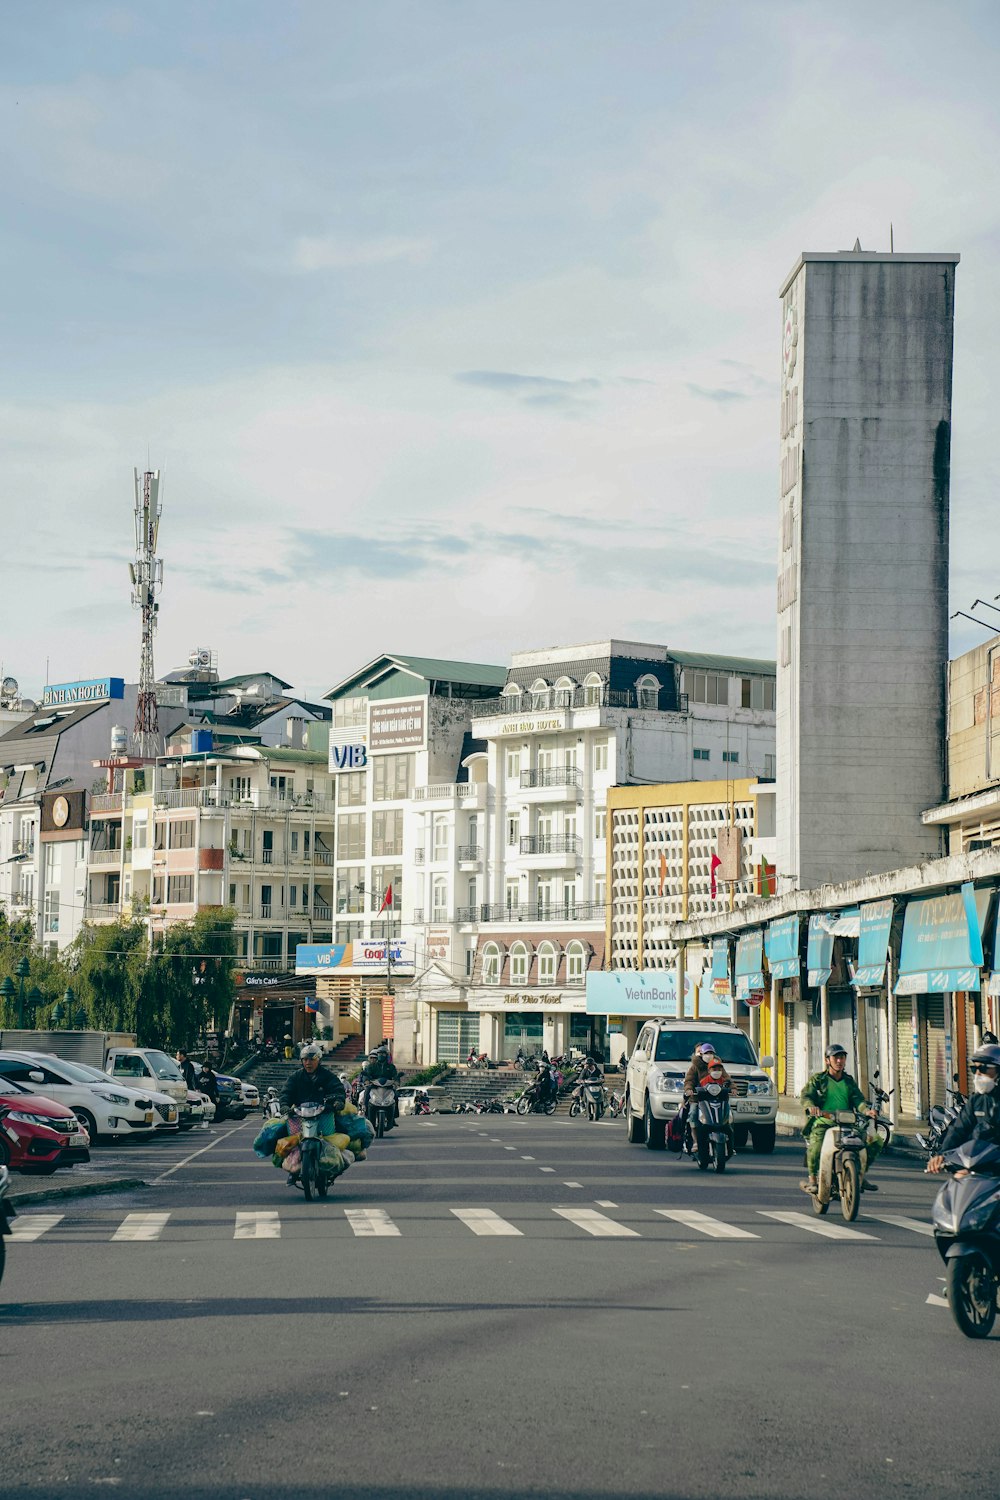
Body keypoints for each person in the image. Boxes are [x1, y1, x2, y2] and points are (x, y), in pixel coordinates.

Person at [800, 1042, 879, 1194]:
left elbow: (858, 1099)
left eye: (842, 1057)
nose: (839, 1061)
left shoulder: (849, 1081)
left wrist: (867, 1110)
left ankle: (860, 1175)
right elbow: (806, 1096)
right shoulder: (818, 1079)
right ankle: (813, 1180)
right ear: (827, 1060)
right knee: (815, 1147)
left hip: (848, 1122)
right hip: (823, 1122)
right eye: (835, 1058)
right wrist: (811, 1106)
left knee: (873, 1143)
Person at [927, 1044, 1000, 1174]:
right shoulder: (976, 1100)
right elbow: (958, 1129)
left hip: (996, 1168)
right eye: (974, 1069)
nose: (977, 1074)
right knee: (954, 1189)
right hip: (978, 1168)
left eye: (982, 1068)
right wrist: (942, 1154)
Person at [280, 1042, 348, 1115]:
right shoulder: (295, 1077)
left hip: (325, 1115)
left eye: (312, 1059)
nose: (308, 1063)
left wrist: (338, 1101)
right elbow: (286, 1093)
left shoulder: (328, 1076)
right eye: (305, 1059)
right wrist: (284, 1105)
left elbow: (338, 1090)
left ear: (319, 1060)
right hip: (300, 1115)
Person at [359, 1043, 400, 1119]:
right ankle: (365, 1109)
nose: (381, 1055)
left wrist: (396, 1082)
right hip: (374, 1085)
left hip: (388, 1086)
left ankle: (394, 1114)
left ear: (386, 1055)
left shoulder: (391, 1067)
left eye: (383, 1054)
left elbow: (395, 1076)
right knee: (367, 1091)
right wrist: (367, 1081)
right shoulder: (371, 1066)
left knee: (396, 1095)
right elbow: (366, 1074)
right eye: (379, 1054)